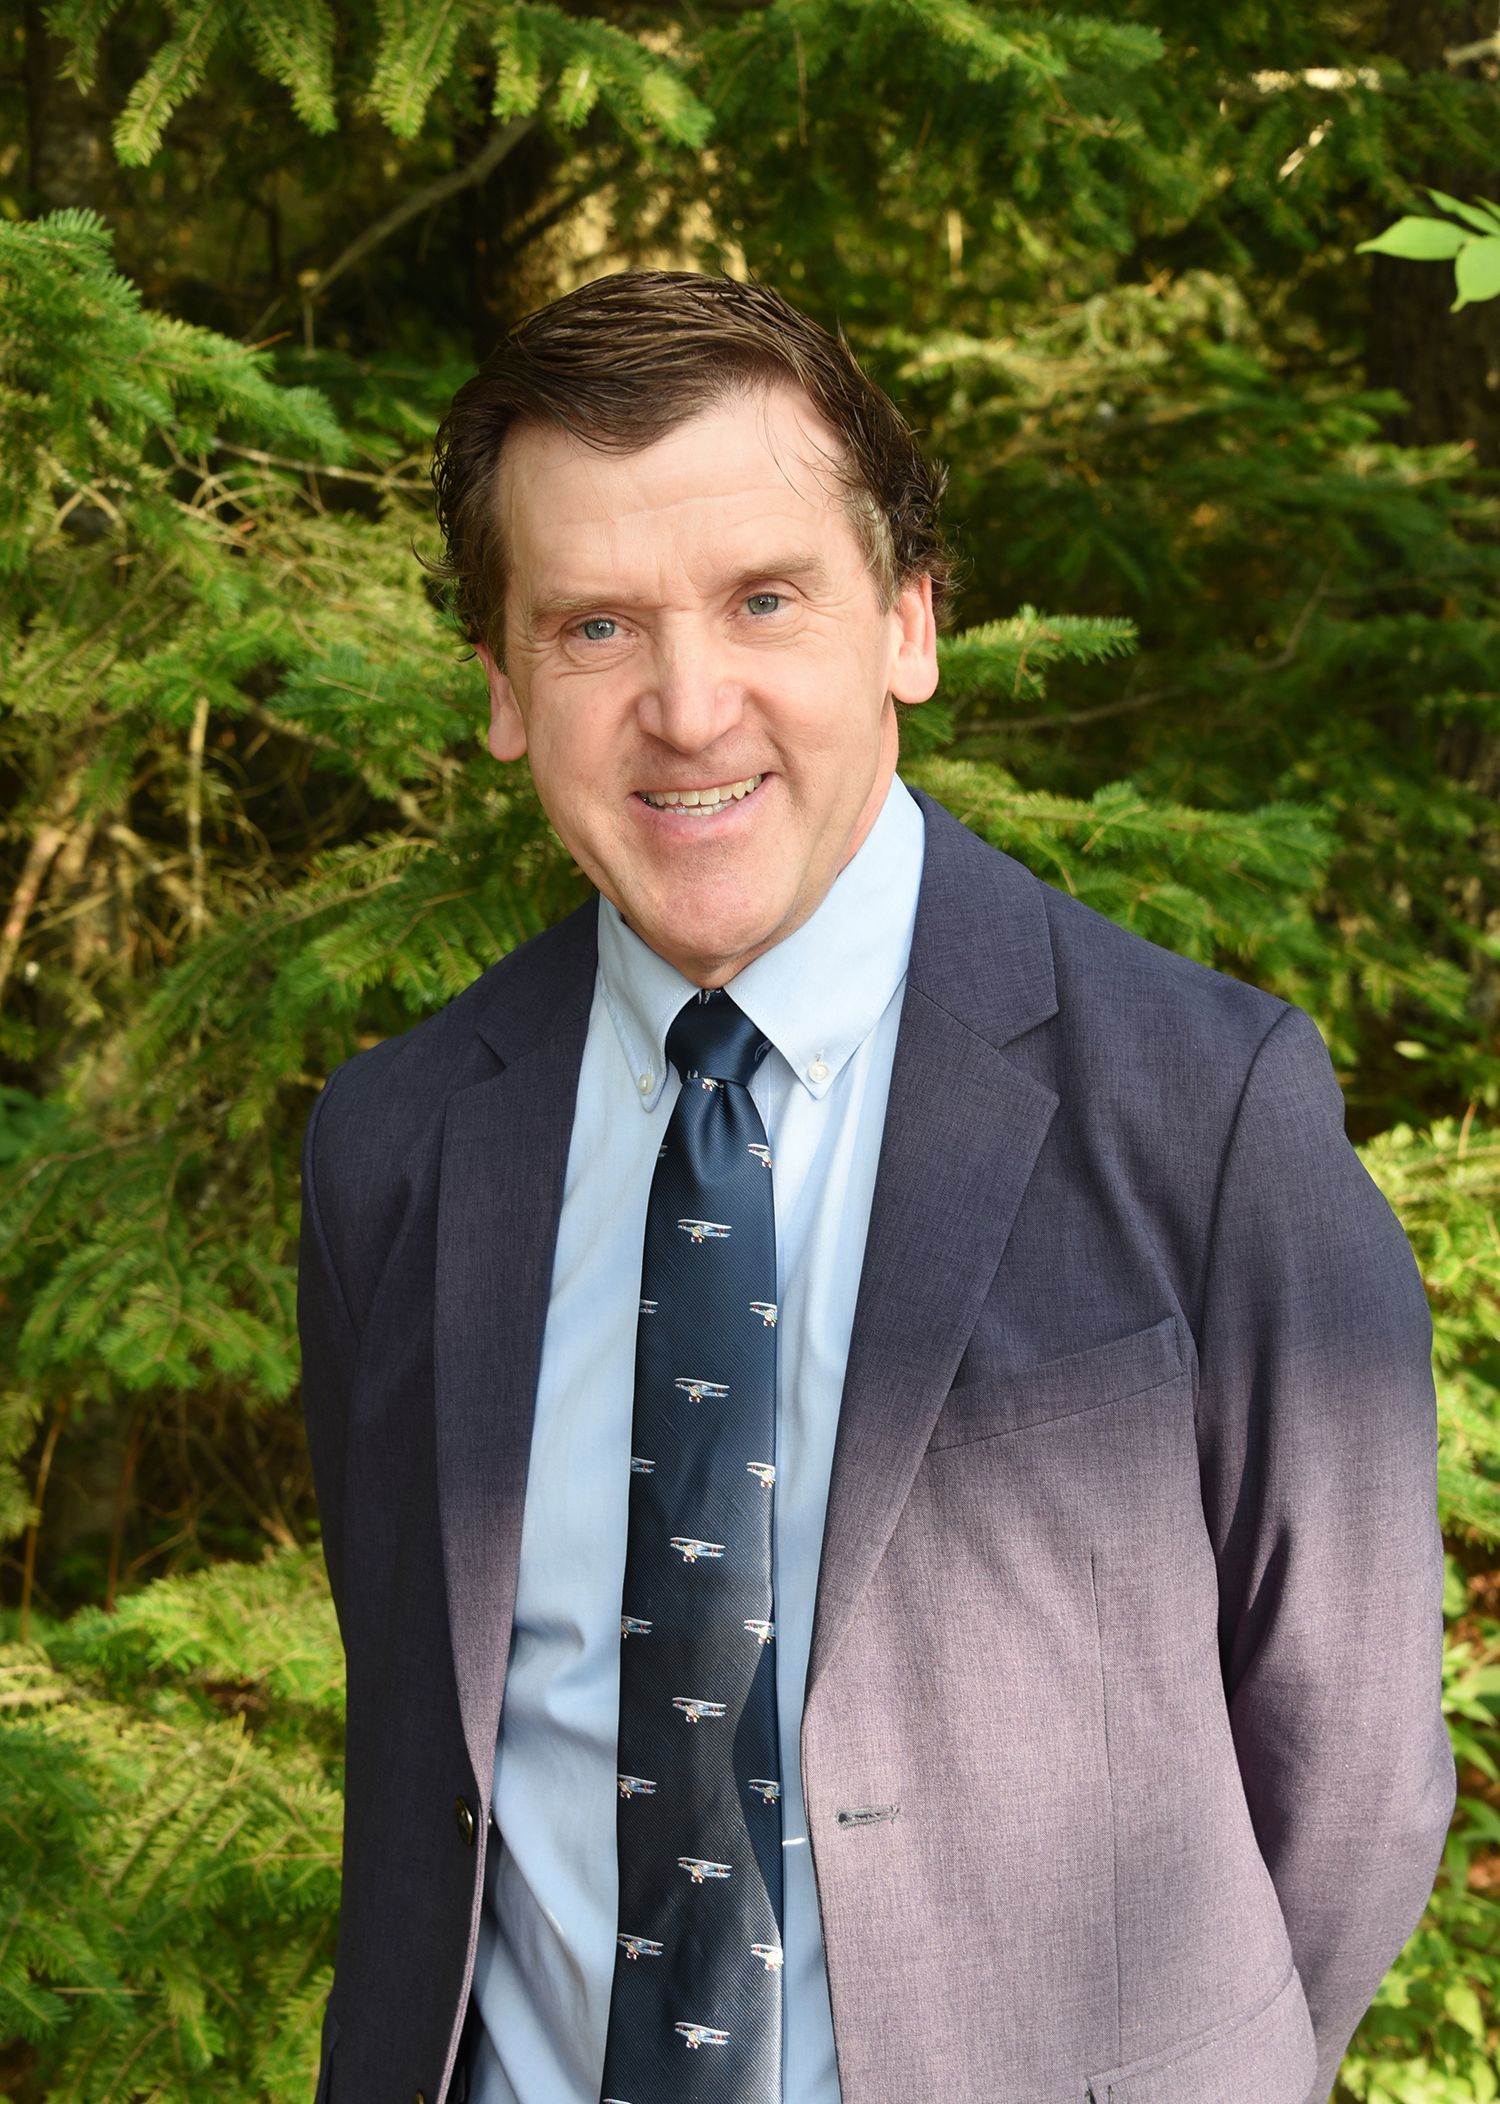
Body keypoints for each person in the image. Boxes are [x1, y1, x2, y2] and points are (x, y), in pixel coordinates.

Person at [296, 270, 1455, 2104]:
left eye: (767, 598)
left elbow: (1361, 1770)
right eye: (597, 627)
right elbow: (426, 1767)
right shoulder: (396, 1151)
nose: (689, 708)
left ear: (908, 620)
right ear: (508, 690)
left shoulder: (1207, 1111)